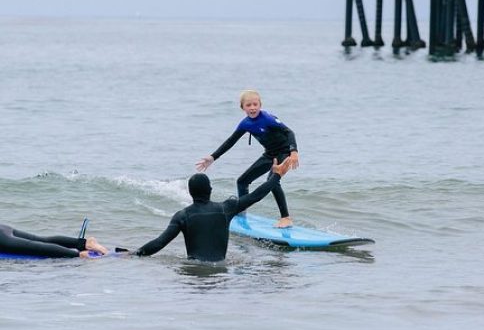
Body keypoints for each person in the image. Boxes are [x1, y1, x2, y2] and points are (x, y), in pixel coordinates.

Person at [133, 157, 292, 262]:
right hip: (220, 273)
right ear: (210, 190)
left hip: (193, 273)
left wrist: (135, 254)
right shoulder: (226, 208)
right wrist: (276, 176)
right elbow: (256, 195)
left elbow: (159, 243)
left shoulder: (182, 216)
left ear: (190, 192)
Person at [195, 90, 299, 228]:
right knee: (242, 181)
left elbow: (289, 132)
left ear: (260, 105)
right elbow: (231, 141)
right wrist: (213, 157)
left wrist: (294, 152)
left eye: (255, 104)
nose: (252, 107)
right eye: (248, 105)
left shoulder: (267, 118)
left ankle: (286, 218)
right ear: (242, 107)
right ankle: (241, 213)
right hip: (269, 154)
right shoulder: (245, 124)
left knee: (272, 181)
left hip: (284, 152)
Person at [0, 224, 108, 258]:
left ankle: (79, 255)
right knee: (40, 240)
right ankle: (84, 243)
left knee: (33, 247)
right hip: (3, 228)